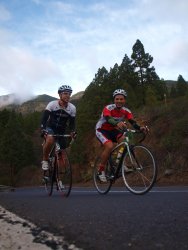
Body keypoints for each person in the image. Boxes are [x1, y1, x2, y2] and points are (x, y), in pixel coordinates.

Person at [95, 88, 148, 182]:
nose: (119, 101)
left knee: (125, 141)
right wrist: (116, 123)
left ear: (124, 100)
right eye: (117, 99)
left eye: (121, 99)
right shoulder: (108, 108)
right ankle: (100, 170)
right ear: (114, 100)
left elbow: (132, 122)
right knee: (109, 146)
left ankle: (119, 163)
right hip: (102, 130)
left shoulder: (126, 111)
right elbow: (108, 118)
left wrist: (140, 128)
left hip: (113, 130)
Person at [40, 84, 76, 170]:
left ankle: (58, 177)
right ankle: (45, 160)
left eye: (69, 94)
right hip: (50, 128)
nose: (68, 96)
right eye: (65, 93)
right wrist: (43, 129)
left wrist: (73, 131)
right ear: (60, 95)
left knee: (62, 155)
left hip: (61, 131)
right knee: (49, 139)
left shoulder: (72, 108)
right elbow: (44, 119)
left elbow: (72, 123)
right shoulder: (52, 104)